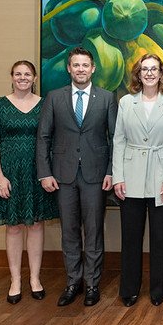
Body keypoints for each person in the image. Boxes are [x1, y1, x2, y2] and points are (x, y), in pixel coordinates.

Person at [36, 47, 117, 307]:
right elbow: (43, 137)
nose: (80, 69)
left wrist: (111, 171)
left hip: (96, 175)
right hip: (63, 175)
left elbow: (115, 138)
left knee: (93, 232)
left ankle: (92, 284)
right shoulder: (54, 97)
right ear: (68, 68)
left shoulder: (106, 98)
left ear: (93, 68)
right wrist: (45, 172)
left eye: (85, 65)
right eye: (76, 65)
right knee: (69, 231)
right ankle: (73, 282)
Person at [0, 61, 59, 304]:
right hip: (9, 173)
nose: (23, 77)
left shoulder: (45, 104)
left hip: (38, 171)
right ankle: (15, 280)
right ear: (11, 77)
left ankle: (35, 279)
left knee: (36, 225)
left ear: (34, 78)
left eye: (27, 74)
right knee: (13, 226)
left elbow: (52, 139)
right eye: (18, 74)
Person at [112, 54, 163, 308]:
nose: (150, 73)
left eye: (154, 69)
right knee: (130, 237)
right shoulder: (126, 102)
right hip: (130, 177)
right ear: (138, 74)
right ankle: (129, 289)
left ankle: (159, 289)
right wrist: (118, 177)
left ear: (161, 73)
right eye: (145, 69)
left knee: (160, 237)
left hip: (162, 177)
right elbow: (118, 140)